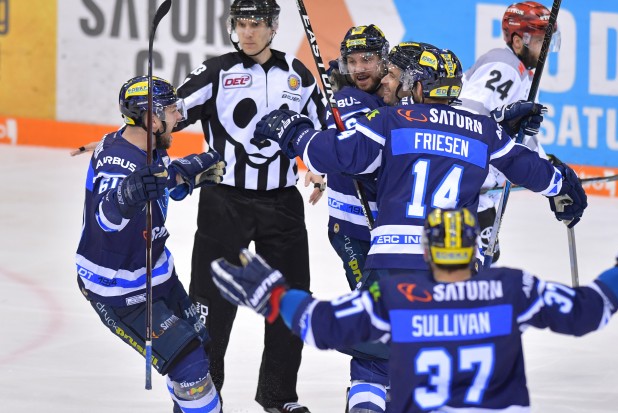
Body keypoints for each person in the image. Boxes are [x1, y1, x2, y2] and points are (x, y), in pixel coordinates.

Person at [250, 43, 588, 409]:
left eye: (394, 76)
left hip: (395, 261)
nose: (385, 83)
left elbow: (334, 155)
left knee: (373, 365)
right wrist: (564, 187)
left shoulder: (391, 122)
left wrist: (293, 132)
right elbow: (532, 170)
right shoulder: (483, 129)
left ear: (418, 86)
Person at [209, 207, 618, 413]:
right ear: (474, 248)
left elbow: (322, 325)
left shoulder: (398, 297)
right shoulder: (512, 289)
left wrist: (274, 295)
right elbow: (590, 311)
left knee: (369, 365)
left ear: (427, 251)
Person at [172, 1, 326, 411]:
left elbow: (324, 134)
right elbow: (172, 113)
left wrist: (320, 168)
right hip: (225, 202)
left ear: (273, 27)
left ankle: (279, 396)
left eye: (256, 24)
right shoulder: (217, 71)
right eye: (241, 23)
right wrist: (150, 114)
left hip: (283, 205)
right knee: (210, 304)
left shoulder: (299, 75)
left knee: (291, 299)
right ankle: (202, 397)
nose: (248, 32)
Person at [75, 75, 226, 413]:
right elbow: (106, 217)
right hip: (120, 289)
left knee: (197, 350)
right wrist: (125, 197)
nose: (178, 117)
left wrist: (184, 174)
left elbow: (157, 182)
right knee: (190, 367)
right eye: (171, 110)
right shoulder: (118, 162)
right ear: (150, 118)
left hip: (157, 275)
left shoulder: (149, 147)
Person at [458, 1, 561, 263]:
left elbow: (521, 134)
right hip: (470, 189)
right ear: (518, 41)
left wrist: (548, 166)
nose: (546, 48)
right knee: (471, 265)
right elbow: (467, 118)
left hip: (484, 189)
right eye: (540, 40)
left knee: (486, 259)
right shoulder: (504, 68)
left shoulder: (522, 73)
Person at [322, 24, 389, 412]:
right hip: (354, 229)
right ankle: (365, 396)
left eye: (368, 59)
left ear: (384, 60)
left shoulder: (389, 93)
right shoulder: (347, 101)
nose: (360, 68)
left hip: (393, 232)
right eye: (352, 61)